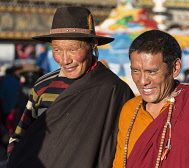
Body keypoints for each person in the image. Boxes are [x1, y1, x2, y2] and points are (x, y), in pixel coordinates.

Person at [7, 6, 134, 168]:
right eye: (57, 49)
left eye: (73, 49)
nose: (64, 59)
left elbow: (124, 146)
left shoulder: (114, 90)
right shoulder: (43, 86)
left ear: (93, 45)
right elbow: (21, 133)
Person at [112, 30, 189, 168]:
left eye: (151, 72)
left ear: (175, 68)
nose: (142, 81)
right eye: (135, 71)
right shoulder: (130, 109)